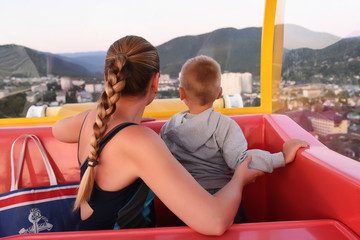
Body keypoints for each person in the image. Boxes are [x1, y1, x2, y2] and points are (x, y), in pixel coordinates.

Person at [52, 36, 263, 236]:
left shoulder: (91, 119)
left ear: (107, 78)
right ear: (155, 82)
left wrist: (128, 124)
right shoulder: (139, 141)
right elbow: (214, 222)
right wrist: (239, 179)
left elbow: (57, 129)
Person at [160, 55, 309, 223]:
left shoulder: (169, 127)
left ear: (181, 93)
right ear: (220, 94)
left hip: (185, 200)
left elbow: (161, 162)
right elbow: (243, 162)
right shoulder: (225, 125)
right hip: (223, 198)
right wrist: (282, 157)